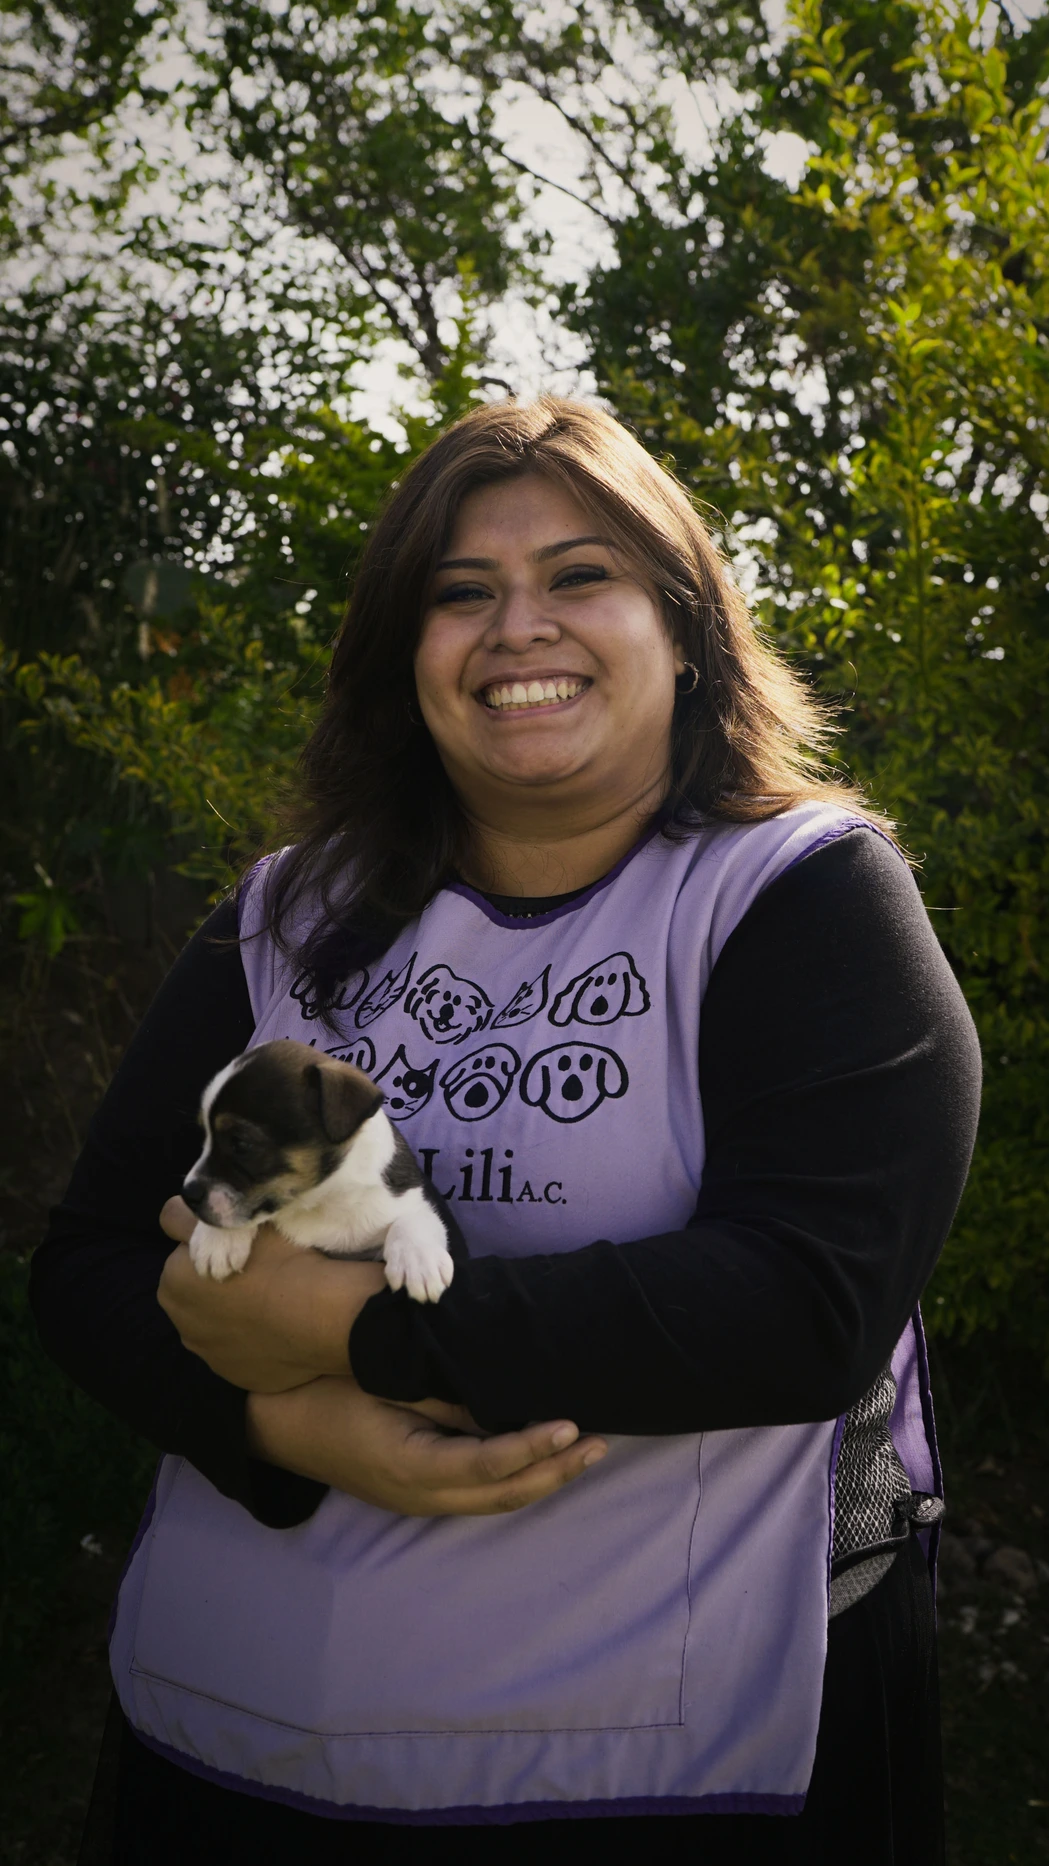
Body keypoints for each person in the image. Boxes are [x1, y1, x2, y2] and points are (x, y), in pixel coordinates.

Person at [32, 397, 981, 1865]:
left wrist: (358, 1333)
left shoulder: (800, 894)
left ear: (686, 627)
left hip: (655, 1780)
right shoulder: (282, 915)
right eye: (460, 592)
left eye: (580, 576)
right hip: (241, 1745)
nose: (517, 627)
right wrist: (294, 1428)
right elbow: (86, 1268)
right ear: (401, 655)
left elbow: (803, 1305)